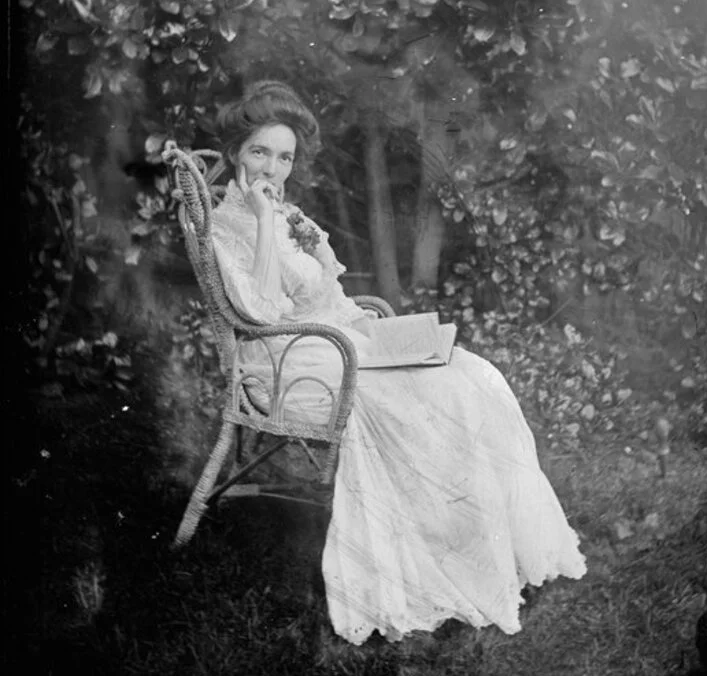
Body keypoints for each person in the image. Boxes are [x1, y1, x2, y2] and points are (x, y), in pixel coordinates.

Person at [210, 80, 586, 646]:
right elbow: (262, 314)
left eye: (284, 156)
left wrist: (317, 255)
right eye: (260, 151)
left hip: (328, 341)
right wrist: (266, 225)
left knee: (476, 376)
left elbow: (325, 298)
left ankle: (473, 547)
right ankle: (435, 560)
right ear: (238, 151)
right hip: (286, 363)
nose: (272, 167)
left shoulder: (286, 212)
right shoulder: (227, 225)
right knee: (431, 398)